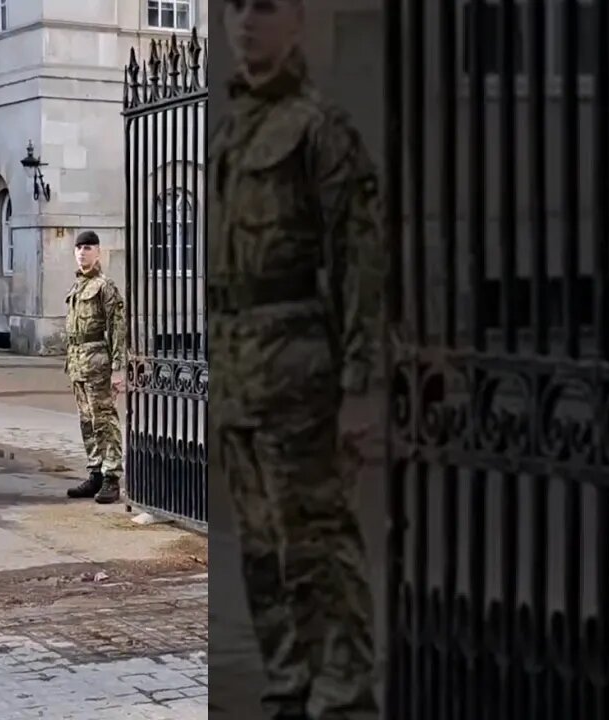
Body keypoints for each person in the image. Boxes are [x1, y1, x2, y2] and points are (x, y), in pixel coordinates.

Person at [211, 0, 386, 718]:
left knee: (317, 542)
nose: (247, 22)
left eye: (266, 8)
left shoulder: (320, 128)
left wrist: (362, 386)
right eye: (236, 9)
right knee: (259, 546)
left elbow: (362, 264)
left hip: (298, 368)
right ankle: (289, 681)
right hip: (234, 366)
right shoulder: (228, 133)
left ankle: (344, 693)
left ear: (299, 23)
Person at [62, 230, 127, 504]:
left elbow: (118, 328)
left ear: (98, 252)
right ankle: (96, 473)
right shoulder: (77, 287)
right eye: (78, 248)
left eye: (88, 247)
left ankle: (112, 477)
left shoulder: (105, 286)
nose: (82, 252)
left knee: (104, 421)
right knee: (87, 422)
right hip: (77, 364)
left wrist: (119, 368)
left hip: (98, 364)